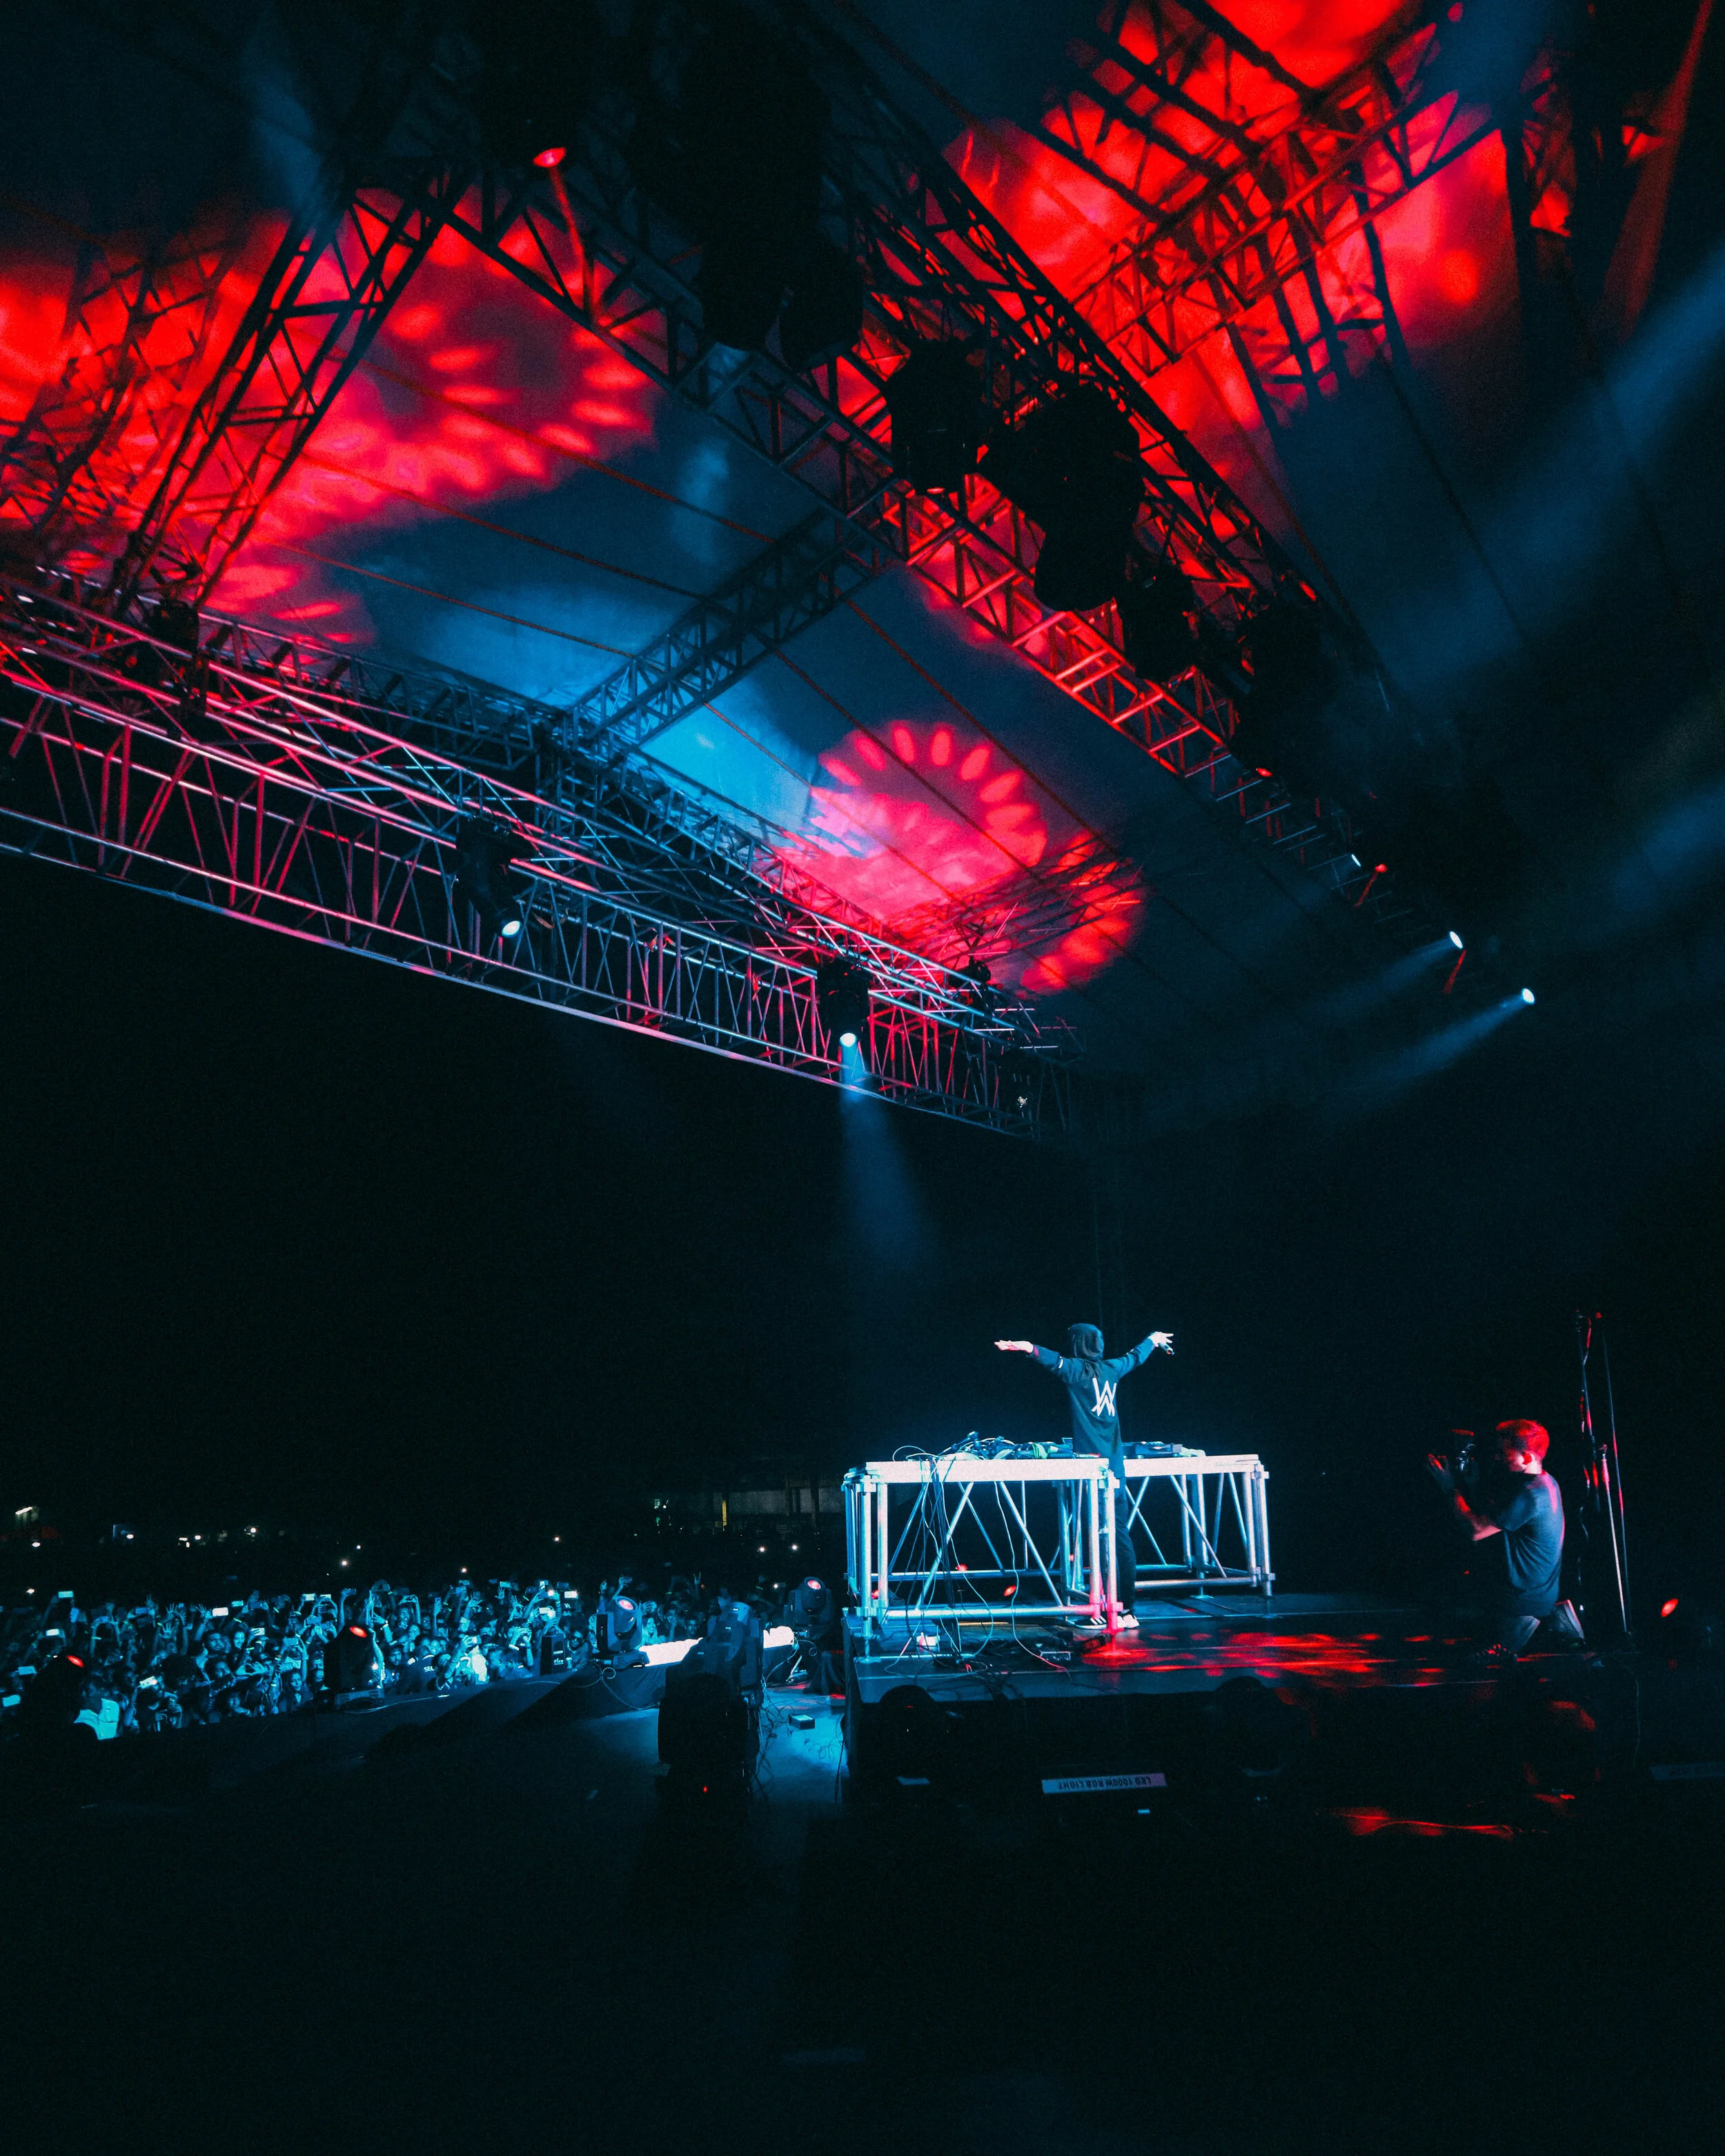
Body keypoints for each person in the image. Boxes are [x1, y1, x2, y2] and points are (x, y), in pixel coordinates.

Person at [996, 1321, 1174, 1627]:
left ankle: (1111, 1610)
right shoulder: (1111, 1369)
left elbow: (1052, 1359)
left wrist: (1027, 1348)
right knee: (1117, 1537)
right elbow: (1135, 1356)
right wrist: (1153, 1340)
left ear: (1078, 1344)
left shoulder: (1077, 1371)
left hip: (1094, 1472)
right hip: (1114, 1469)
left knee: (1102, 1539)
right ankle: (1124, 1609)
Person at [1426, 1419, 1565, 1663]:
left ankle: (1513, 1642)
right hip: (1528, 1596)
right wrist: (1471, 1483)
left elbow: (1476, 1529)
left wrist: (1450, 1487)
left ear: (1527, 1458)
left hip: (1520, 1603)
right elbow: (1494, 1514)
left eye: (1505, 1454)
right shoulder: (1543, 1482)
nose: (1498, 1458)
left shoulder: (1531, 1494)